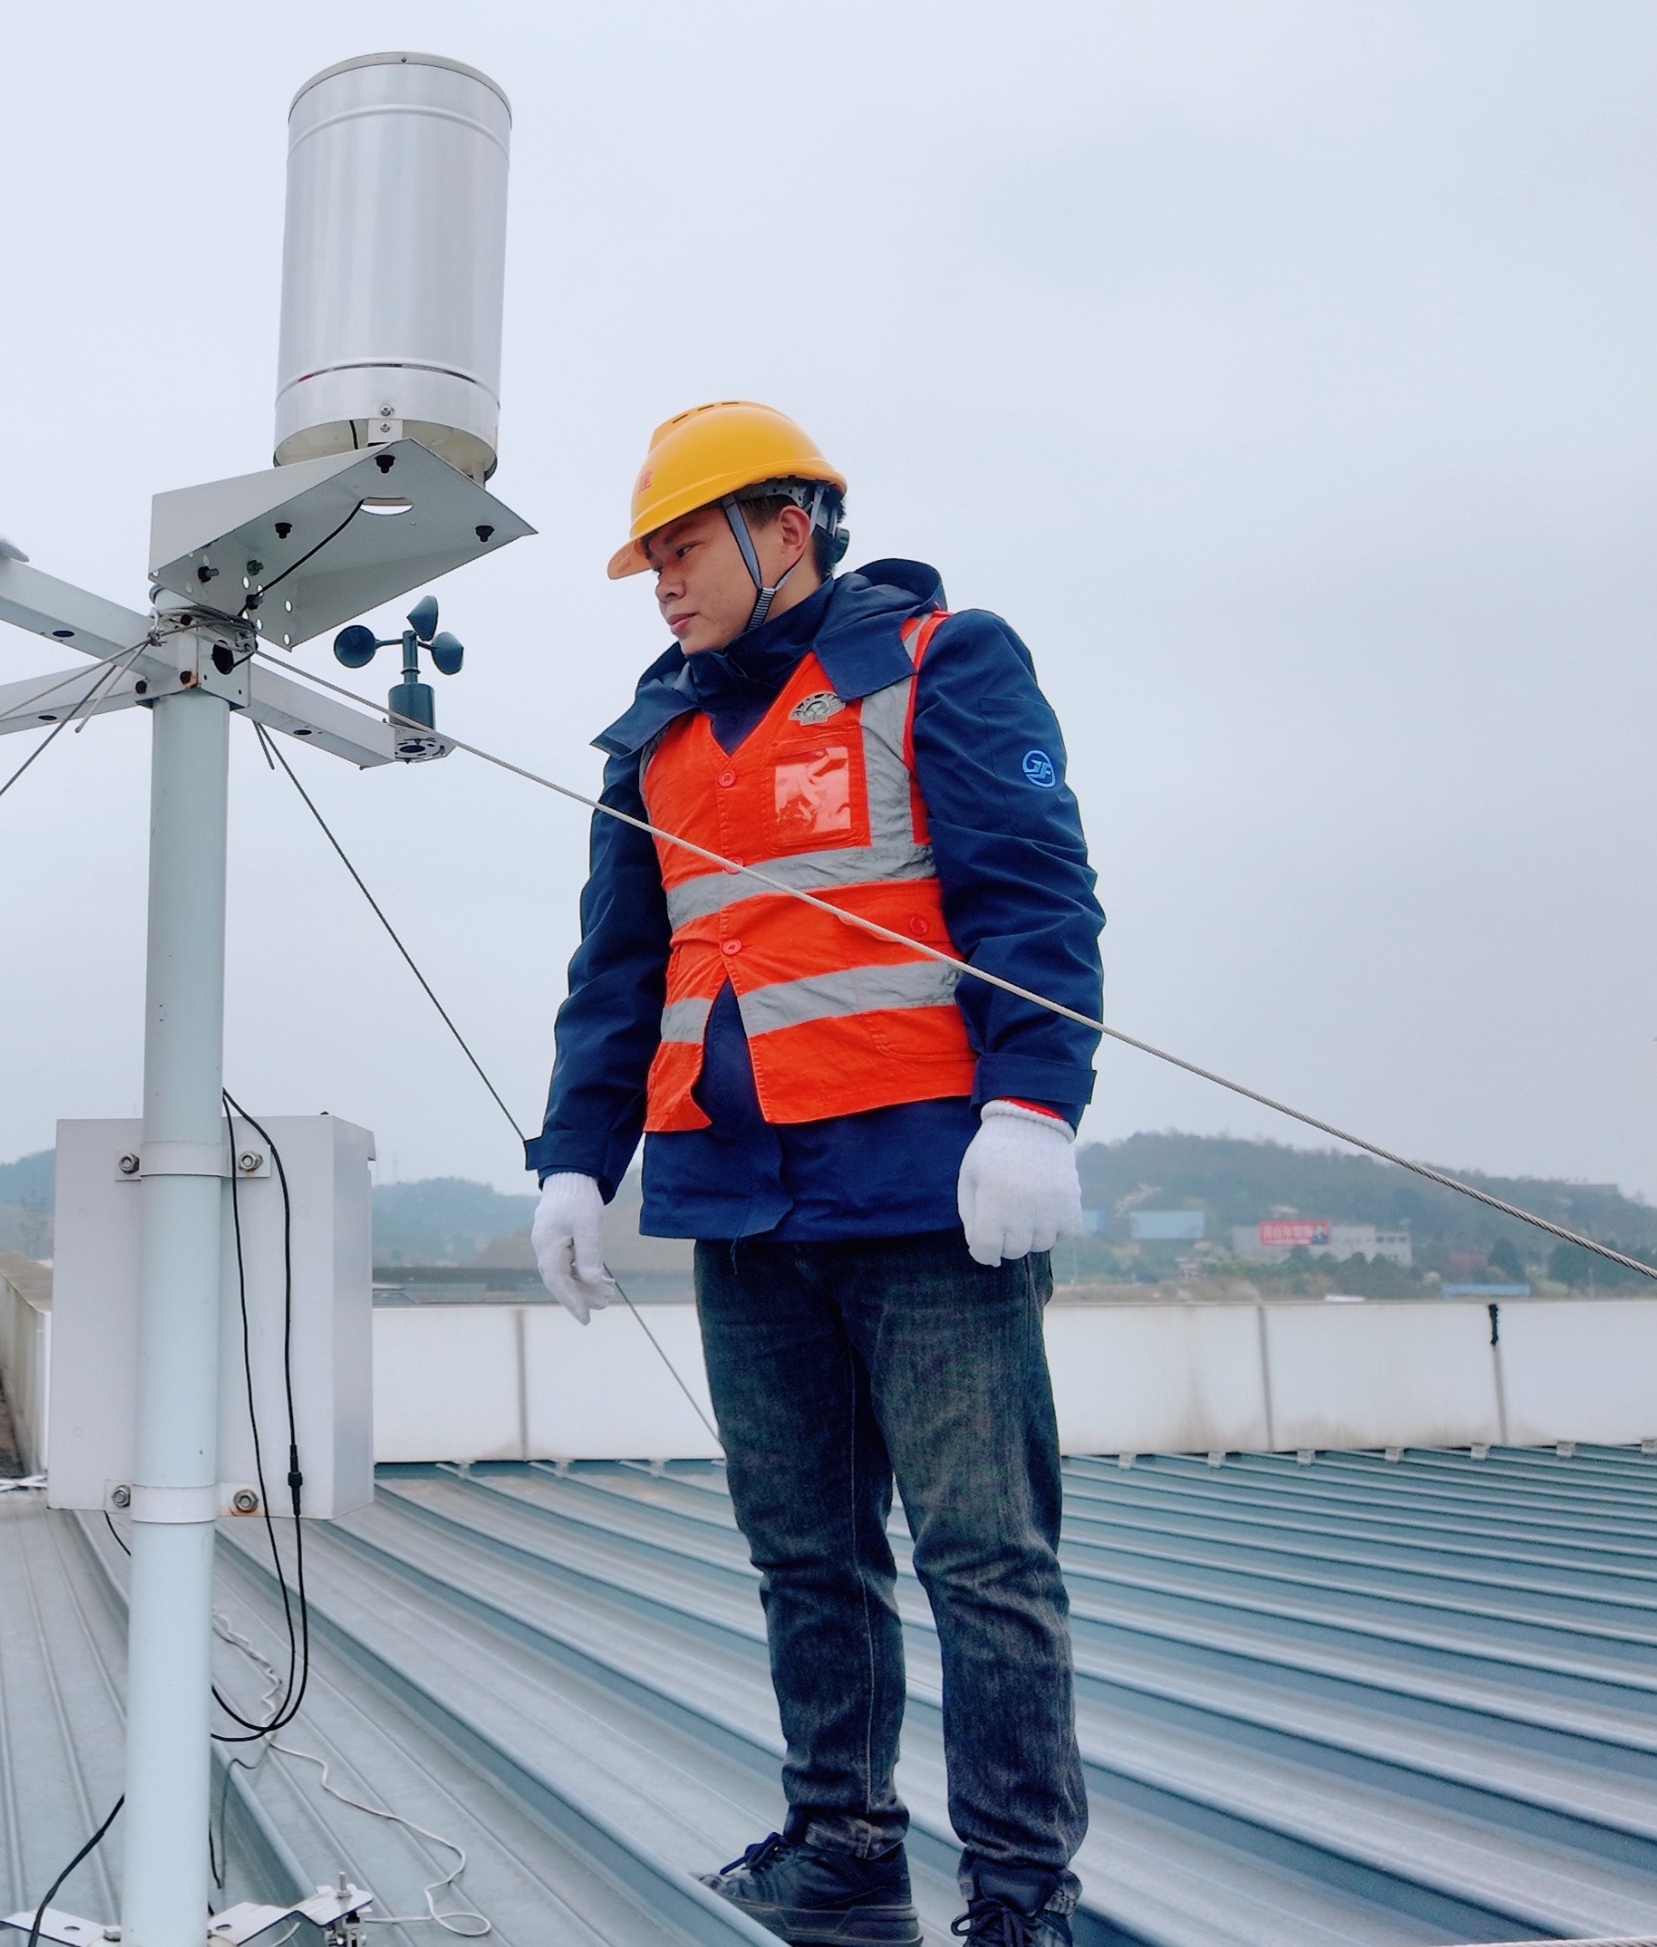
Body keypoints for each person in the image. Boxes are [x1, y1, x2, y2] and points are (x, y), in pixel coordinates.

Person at [526, 402, 1103, 1947]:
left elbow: (1034, 895)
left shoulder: (937, 664)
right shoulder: (652, 740)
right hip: (741, 1202)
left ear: (788, 529)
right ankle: (844, 1845)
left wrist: (1034, 1107)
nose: (663, 582)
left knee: (984, 1557)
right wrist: (576, 1161)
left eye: (684, 547)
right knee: (804, 1552)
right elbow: (617, 975)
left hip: (927, 1195)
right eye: (650, 558)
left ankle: (1021, 1898)